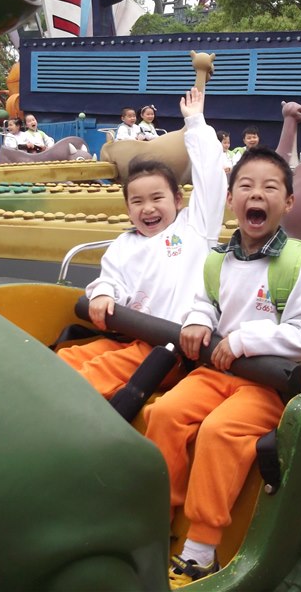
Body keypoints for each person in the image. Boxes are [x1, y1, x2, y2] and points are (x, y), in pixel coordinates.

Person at [143, 146, 301, 587]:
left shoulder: (297, 262)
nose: (256, 194)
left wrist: (245, 340)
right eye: (245, 186)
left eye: (270, 187)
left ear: (288, 202)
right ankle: (156, 521)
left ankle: (200, 550)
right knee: (165, 413)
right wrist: (197, 321)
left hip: (271, 381)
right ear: (231, 200)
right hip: (221, 372)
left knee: (220, 431)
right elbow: (207, 303)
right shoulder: (218, 259)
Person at [57, 87, 227, 398]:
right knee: (65, 358)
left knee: (90, 375)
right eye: (137, 201)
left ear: (178, 200)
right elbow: (111, 281)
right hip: (128, 338)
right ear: (128, 207)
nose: (147, 208)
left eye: (157, 198)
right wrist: (103, 293)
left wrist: (196, 124)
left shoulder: (195, 227)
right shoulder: (124, 243)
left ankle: (58, 408)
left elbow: (212, 176)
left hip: (169, 348)